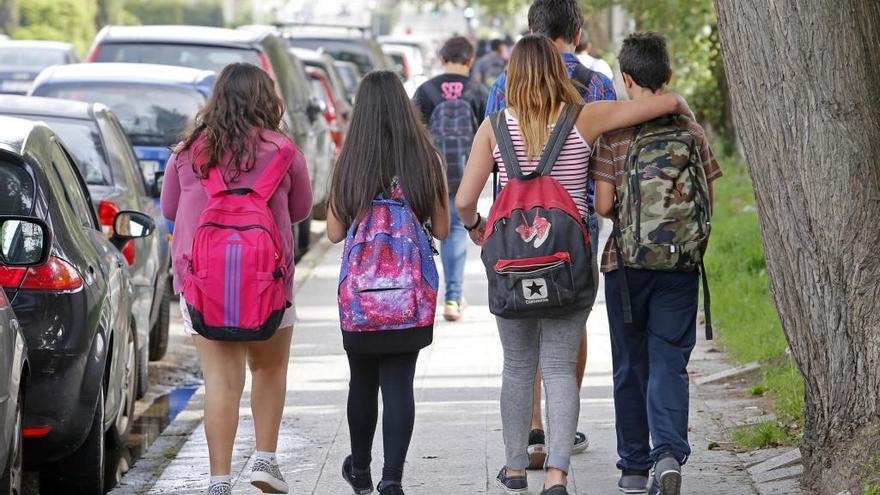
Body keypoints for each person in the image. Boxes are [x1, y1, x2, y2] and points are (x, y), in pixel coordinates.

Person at [456, 35, 692, 495]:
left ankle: (517, 468)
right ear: (558, 72)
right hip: (569, 261)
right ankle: (559, 474)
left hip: (512, 265)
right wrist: (680, 101)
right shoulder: (585, 118)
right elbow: (661, 104)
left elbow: (465, 199)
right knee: (561, 368)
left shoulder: (493, 127)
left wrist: (477, 227)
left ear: (513, 79)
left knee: (517, 367)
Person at [161, 63, 312, 495]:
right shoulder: (285, 152)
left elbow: (170, 211)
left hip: (203, 283)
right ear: (268, 100)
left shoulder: (187, 152)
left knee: (221, 383)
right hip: (268, 281)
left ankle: (219, 483)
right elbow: (302, 211)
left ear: (217, 99)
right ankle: (265, 459)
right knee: (269, 368)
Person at [485, 0, 617, 468]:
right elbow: (613, 153)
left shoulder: (504, 86)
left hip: (514, 233)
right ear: (577, 31)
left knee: (519, 353)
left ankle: (532, 438)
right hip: (575, 229)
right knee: (564, 337)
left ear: (529, 30)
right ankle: (563, 439)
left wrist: (479, 228)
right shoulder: (598, 85)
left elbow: (493, 160)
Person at [591, 32, 723, 495]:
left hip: (625, 268)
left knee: (630, 365)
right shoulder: (690, 130)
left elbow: (604, 204)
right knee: (669, 361)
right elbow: (708, 194)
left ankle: (632, 466)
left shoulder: (614, 133)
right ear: (668, 77)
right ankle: (668, 452)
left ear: (627, 80)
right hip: (680, 269)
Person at [326, 71, 450, 495]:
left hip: (360, 298)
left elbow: (332, 232)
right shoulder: (425, 158)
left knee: (361, 380)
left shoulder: (350, 160)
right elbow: (444, 228)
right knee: (399, 383)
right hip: (408, 297)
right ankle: (392, 479)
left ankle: (360, 471)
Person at [413, 36, 488, 322]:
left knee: (422, 232)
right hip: (465, 174)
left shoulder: (425, 91)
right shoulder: (479, 91)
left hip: (430, 175)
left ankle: (422, 293)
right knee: (456, 229)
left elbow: (412, 134)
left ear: (442, 59)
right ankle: (453, 298)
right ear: (470, 61)